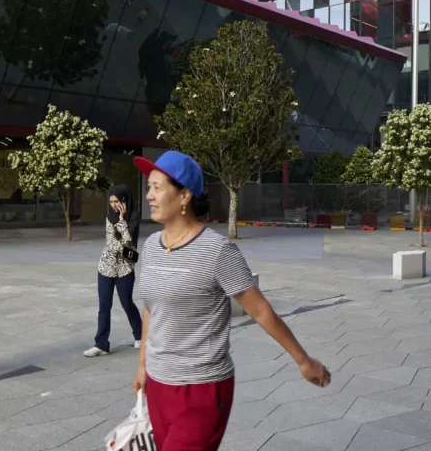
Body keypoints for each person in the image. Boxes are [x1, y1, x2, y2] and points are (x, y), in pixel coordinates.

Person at [132, 151, 330, 451]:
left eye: (158, 188)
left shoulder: (217, 251)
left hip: (202, 388)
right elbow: (151, 308)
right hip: (159, 384)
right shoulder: (151, 249)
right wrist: (143, 365)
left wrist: (304, 361)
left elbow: (262, 311)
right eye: (149, 187)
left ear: (184, 195)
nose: (149, 195)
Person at [84, 184, 143, 357]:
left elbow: (129, 244)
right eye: (111, 201)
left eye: (117, 201)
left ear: (124, 201)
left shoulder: (134, 217)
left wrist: (123, 221)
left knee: (127, 303)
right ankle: (101, 344)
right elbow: (115, 245)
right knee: (104, 306)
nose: (114, 205)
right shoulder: (109, 218)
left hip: (125, 268)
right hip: (106, 267)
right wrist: (122, 230)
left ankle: (140, 336)